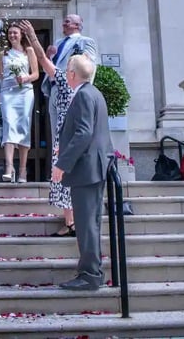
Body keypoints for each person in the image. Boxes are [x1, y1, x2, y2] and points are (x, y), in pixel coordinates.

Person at [52, 54, 113, 291]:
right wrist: (64, 147)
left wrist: (61, 164)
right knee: (89, 223)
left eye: (68, 69)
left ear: (73, 74)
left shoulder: (84, 95)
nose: (66, 73)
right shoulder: (94, 93)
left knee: (86, 224)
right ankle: (91, 271)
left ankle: (90, 275)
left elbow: (84, 133)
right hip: (93, 167)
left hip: (87, 170)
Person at [19, 20, 76, 236]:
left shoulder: (64, 82)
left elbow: (42, 58)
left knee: (65, 181)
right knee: (69, 183)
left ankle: (72, 223)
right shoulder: (86, 88)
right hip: (74, 141)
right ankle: (70, 222)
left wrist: (33, 35)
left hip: (65, 142)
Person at [42, 14, 97, 145]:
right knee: (56, 132)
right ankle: (57, 162)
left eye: (67, 22)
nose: (63, 24)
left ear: (77, 25)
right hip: (54, 88)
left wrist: (80, 90)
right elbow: (48, 69)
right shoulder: (58, 43)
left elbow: (88, 65)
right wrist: (48, 56)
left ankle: (68, 163)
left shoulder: (86, 41)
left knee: (69, 129)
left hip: (70, 89)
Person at [0, 23, 39, 183]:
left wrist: (25, 78)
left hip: (25, 92)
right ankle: (9, 167)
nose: (12, 36)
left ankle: (22, 169)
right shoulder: (3, 53)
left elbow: (35, 74)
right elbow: (1, 75)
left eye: (15, 33)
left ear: (21, 34)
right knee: (8, 124)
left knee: (23, 127)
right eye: (10, 33)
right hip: (8, 92)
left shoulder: (29, 51)